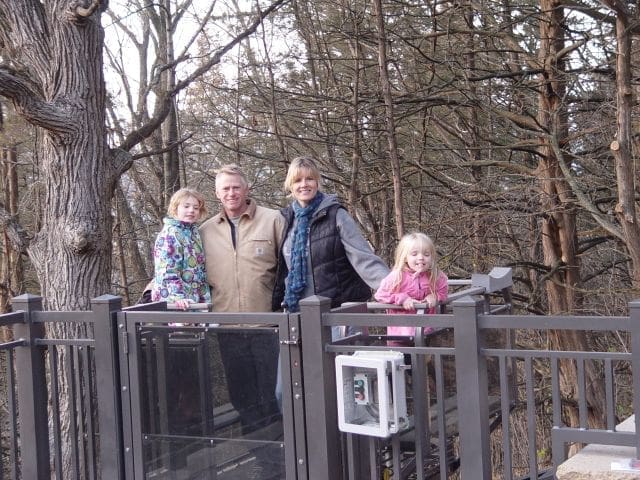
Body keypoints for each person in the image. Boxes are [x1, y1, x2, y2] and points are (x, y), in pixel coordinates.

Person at [200, 164, 284, 442]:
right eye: (226, 188)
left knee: (272, 393)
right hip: (228, 328)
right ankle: (259, 455)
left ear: (247, 189)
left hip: (269, 326)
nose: (232, 193)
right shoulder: (205, 231)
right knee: (242, 396)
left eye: (236, 187)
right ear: (217, 193)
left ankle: (282, 456)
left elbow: (292, 266)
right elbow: (186, 271)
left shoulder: (273, 220)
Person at [272, 156, 390, 339]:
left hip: (337, 316)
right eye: (298, 180)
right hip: (298, 316)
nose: (304, 184)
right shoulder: (284, 220)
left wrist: (399, 289)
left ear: (317, 182)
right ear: (290, 185)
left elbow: (365, 260)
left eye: (309, 179)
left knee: (338, 367)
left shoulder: (336, 215)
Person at [374, 232, 448, 342]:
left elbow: (443, 290)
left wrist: (434, 296)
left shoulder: (435, 275)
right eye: (414, 254)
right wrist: (403, 299)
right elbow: (380, 294)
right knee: (401, 359)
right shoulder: (397, 276)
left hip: (426, 332)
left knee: (425, 358)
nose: (421, 258)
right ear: (405, 257)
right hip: (399, 334)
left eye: (426, 254)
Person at [151, 188, 211, 310]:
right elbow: (167, 269)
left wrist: (203, 297)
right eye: (186, 206)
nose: (191, 211)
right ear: (175, 208)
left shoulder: (193, 232)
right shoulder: (170, 234)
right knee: (181, 329)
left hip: (193, 299)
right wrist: (177, 297)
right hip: (174, 302)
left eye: (195, 207)